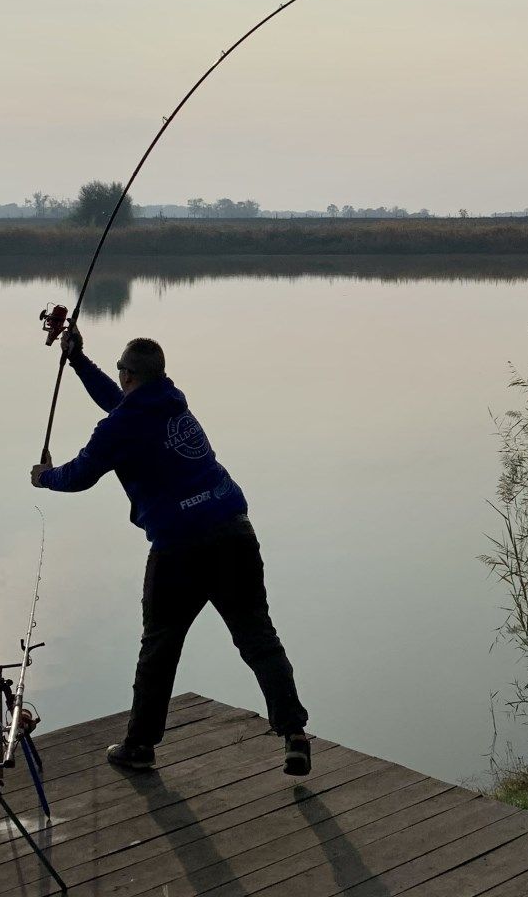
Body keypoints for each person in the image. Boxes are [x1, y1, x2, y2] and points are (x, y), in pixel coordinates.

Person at [30, 327, 311, 776]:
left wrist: (45, 476)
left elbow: (81, 474)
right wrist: (79, 360)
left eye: (121, 369)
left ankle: (140, 747)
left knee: (159, 648)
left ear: (127, 375)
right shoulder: (171, 400)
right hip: (234, 532)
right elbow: (120, 403)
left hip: (180, 549)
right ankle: (294, 733)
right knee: (258, 639)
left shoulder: (119, 426)